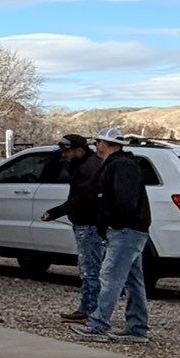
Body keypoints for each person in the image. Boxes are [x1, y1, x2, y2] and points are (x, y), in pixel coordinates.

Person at [77, 127, 152, 343]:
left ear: (106, 144)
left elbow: (124, 200)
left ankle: (98, 325)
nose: (96, 147)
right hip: (130, 229)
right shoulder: (121, 164)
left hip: (125, 230)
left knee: (110, 277)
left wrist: (111, 222)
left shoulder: (121, 165)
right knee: (133, 279)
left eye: (98, 142)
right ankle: (137, 328)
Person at [39, 133, 104, 323]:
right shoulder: (86, 165)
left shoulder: (88, 169)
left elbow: (82, 199)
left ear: (79, 150)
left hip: (89, 224)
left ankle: (90, 311)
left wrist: (55, 212)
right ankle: (88, 309)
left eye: (67, 151)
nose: (64, 155)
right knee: (89, 268)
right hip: (88, 223)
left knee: (90, 270)